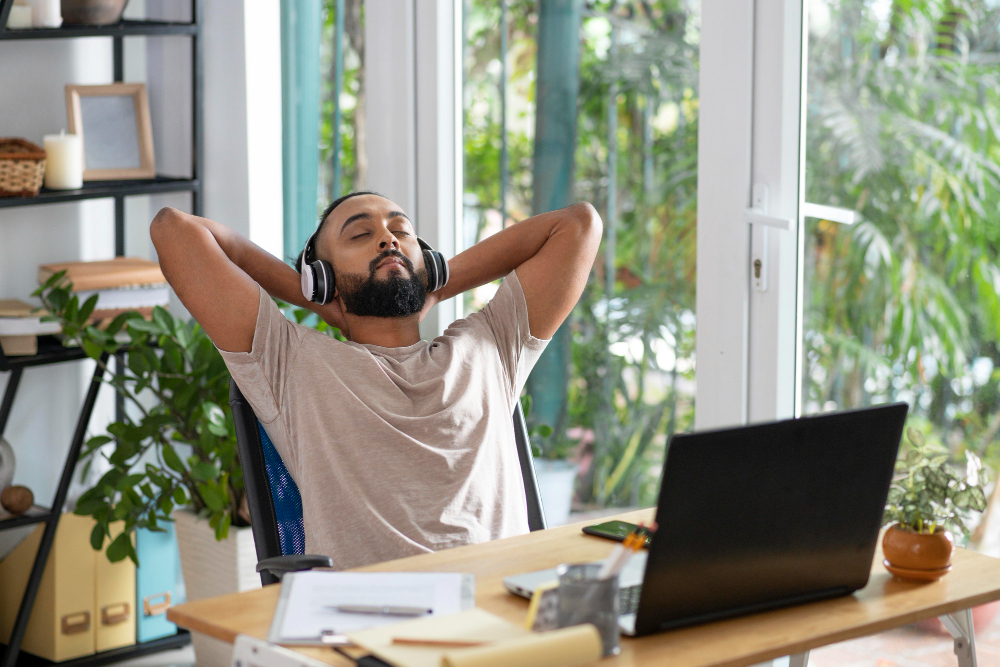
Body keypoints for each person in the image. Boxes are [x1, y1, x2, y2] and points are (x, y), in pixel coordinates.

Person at [149, 192, 602, 569]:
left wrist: (433, 280)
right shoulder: (292, 362)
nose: (387, 238)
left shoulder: (490, 345)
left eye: (401, 232)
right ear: (322, 277)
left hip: (503, 617)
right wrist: (314, 297)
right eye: (361, 234)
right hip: (375, 626)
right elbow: (175, 230)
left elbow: (578, 225)